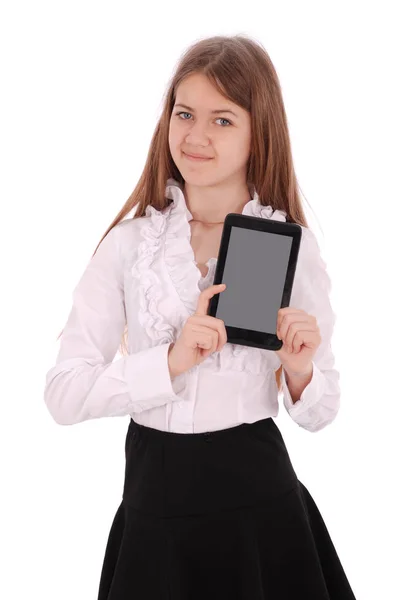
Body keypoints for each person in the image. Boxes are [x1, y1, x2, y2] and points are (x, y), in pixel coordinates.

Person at [44, 35, 357, 600]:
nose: (195, 136)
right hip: (153, 506)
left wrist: (300, 369)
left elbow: (320, 412)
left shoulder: (291, 247)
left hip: (262, 510)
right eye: (184, 113)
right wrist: (169, 361)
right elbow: (63, 394)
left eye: (222, 120)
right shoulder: (129, 246)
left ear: (258, 132)